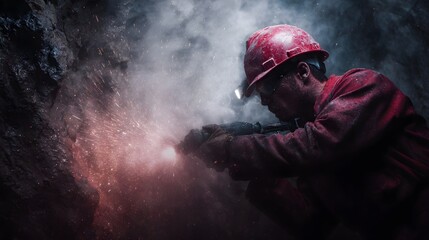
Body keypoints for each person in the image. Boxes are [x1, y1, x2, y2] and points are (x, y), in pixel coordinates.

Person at [190, 24, 429, 239]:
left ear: (303, 72)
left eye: (267, 88)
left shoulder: (363, 86)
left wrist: (232, 150)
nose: (264, 102)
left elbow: (318, 145)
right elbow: (311, 224)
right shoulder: (314, 154)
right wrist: (259, 177)